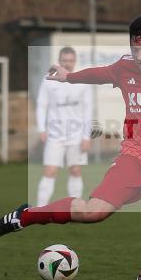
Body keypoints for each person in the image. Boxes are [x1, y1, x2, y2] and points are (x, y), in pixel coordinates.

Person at [0, 16, 141, 280]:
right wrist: (68, 77)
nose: (140, 57)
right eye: (136, 49)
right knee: (93, 212)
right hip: (135, 159)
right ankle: (26, 216)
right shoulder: (125, 67)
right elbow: (99, 74)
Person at [34, 47, 93, 205]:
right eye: (64, 60)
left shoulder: (82, 81)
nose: (67, 64)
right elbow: (41, 105)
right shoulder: (48, 80)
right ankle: (40, 210)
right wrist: (41, 128)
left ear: (75, 61)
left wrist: (87, 136)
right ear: (59, 61)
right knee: (50, 171)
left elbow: (88, 109)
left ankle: (76, 207)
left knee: (75, 170)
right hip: (55, 135)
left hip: (77, 134)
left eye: (70, 61)